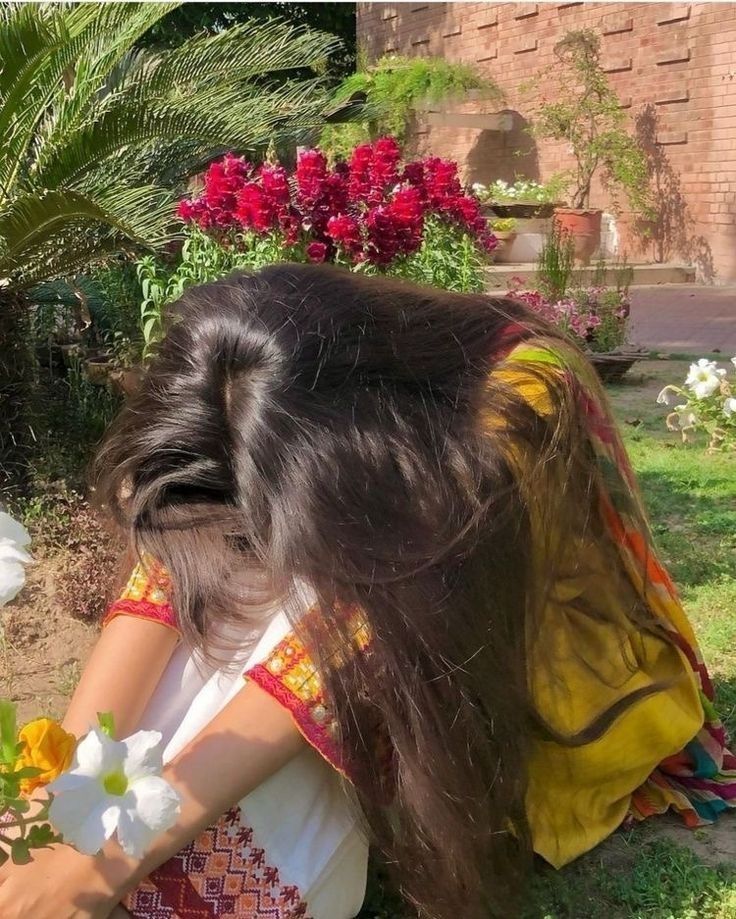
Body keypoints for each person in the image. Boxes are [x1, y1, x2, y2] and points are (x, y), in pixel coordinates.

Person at [0, 265, 732, 919]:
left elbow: (349, 636)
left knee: (308, 598)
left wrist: (103, 868)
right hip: (366, 614)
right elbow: (174, 562)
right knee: (237, 578)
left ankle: (215, 881)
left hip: (531, 672)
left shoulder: (519, 396)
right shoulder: (262, 384)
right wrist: (51, 789)